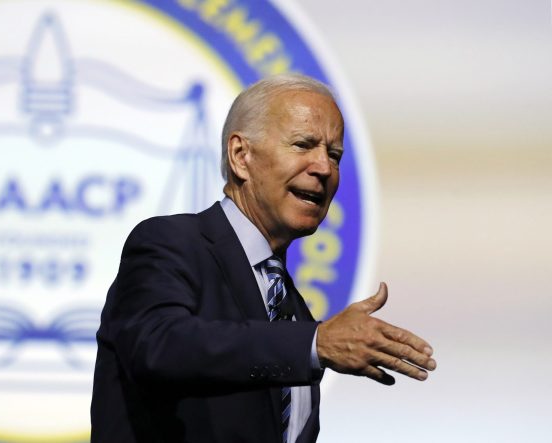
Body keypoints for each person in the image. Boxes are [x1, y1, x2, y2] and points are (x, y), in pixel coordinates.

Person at [90, 73, 436, 443]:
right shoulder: (171, 244)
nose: (324, 168)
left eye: (334, 155)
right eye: (304, 145)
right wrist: (314, 344)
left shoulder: (294, 312)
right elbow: (159, 346)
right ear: (241, 156)